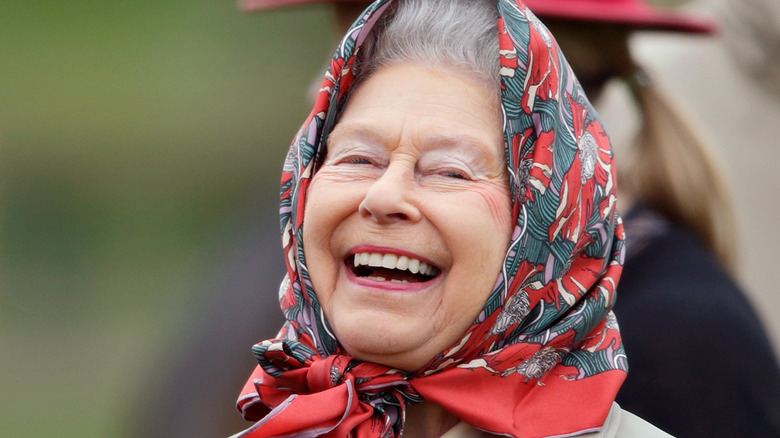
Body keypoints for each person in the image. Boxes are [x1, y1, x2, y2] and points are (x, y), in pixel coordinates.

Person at [244, 1, 780, 437]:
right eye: (356, 156)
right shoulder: (304, 403)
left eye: (450, 170)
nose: (384, 196)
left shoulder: (680, 342)